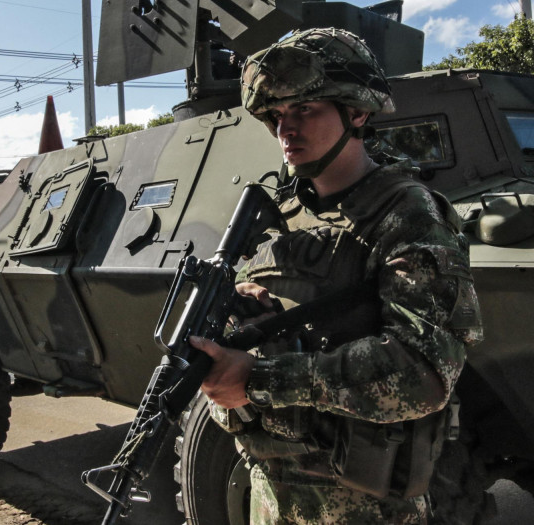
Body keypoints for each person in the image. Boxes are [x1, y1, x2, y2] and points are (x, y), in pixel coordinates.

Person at [189, 28, 482, 523]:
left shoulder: (406, 214)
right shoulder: (279, 214)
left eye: (304, 109)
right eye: (276, 115)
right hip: (271, 498)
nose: (286, 129)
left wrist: (259, 379)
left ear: (357, 112)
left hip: (364, 506)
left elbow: (424, 372)